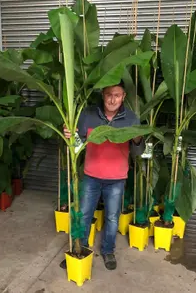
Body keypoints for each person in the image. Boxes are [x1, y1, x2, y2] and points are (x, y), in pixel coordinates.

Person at [60, 81, 144, 270]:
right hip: (91, 175)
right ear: (103, 95)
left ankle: (108, 251)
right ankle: (78, 250)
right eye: (108, 95)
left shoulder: (131, 119)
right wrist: (68, 133)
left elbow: (137, 153)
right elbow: (77, 140)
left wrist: (138, 139)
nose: (112, 99)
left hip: (116, 178)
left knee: (112, 218)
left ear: (123, 97)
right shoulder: (88, 114)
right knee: (84, 215)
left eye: (117, 95)